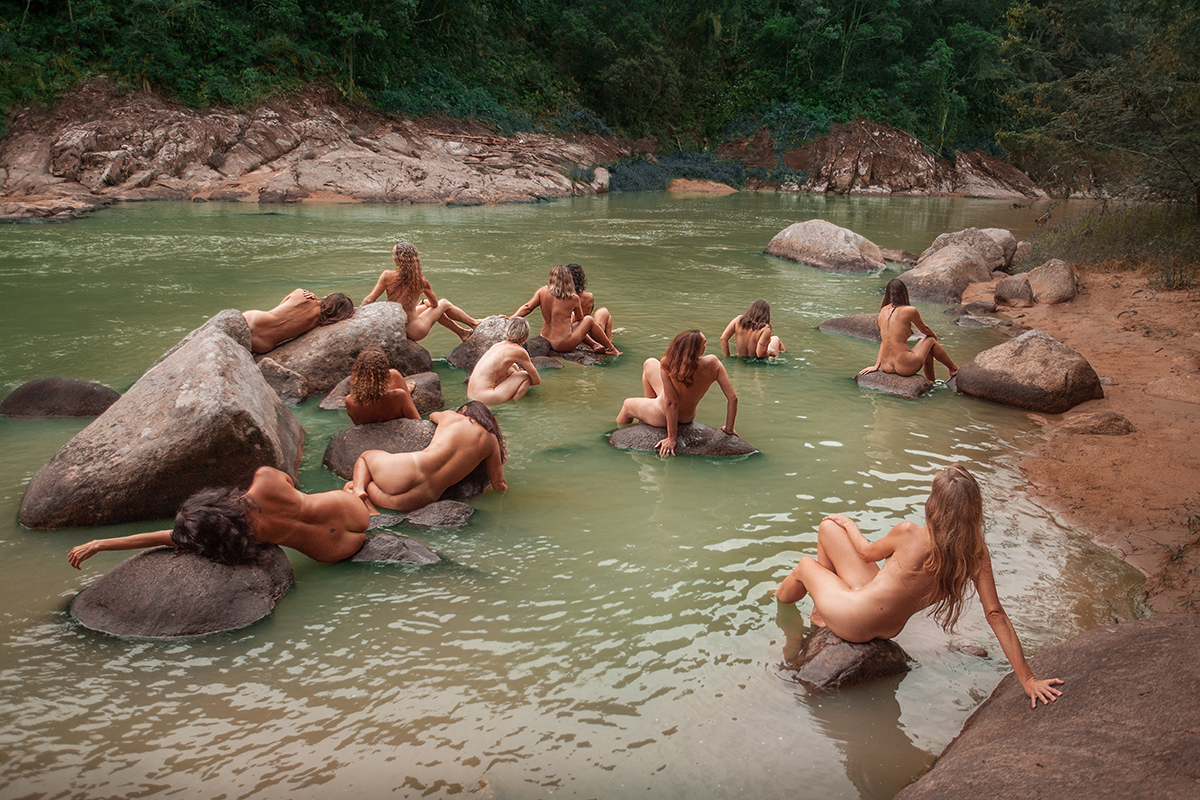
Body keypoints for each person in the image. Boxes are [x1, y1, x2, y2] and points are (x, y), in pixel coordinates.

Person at [775, 464, 1065, 709]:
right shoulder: (976, 553)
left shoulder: (909, 533)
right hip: (887, 625)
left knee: (804, 566)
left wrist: (850, 524)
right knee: (828, 529)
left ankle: (786, 625)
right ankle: (822, 612)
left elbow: (864, 553)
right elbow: (995, 614)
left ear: (934, 505)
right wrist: (1028, 679)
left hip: (855, 620)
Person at [67, 466, 372, 567]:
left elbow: (163, 538)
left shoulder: (238, 536)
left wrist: (101, 544)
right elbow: (291, 482)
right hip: (350, 511)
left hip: (334, 552)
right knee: (350, 483)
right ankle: (358, 495)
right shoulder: (264, 478)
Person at [349, 401, 507, 513]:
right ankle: (373, 513)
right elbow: (499, 485)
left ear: (464, 409)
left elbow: (432, 415)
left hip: (411, 467)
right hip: (426, 496)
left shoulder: (452, 417)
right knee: (366, 487)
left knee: (364, 458)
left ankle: (358, 490)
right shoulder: (492, 441)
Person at [616, 329, 737, 456]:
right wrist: (729, 428)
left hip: (662, 415)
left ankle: (620, 430)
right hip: (687, 417)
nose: (706, 345)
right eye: (704, 343)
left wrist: (672, 438)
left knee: (627, 404)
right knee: (650, 363)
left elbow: (672, 403)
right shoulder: (714, 363)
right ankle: (647, 409)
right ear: (696, 349)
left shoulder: (669, 364)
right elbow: (732, 398)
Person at [362, 241, 479, 342]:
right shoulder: (421, 281)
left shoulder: (387, 275)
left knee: (431, 308)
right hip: (414, 330)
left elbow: (369, 300)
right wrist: (425, 301)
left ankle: (463, 333)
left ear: (398, 258)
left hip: (397, 325)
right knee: (444, 303)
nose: (392, 256)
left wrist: (357, 315)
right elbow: (435, 304)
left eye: (393, 254)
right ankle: (473, 323)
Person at [858, 278, 957, 381]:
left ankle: (931, 381)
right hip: (905, 365)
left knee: (927, 350)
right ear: (904, 293)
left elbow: (884, 341)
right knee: (930, 340)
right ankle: (953, 369)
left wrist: (876, 366)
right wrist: (934, 336)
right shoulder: (910, 310)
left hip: (886, 366)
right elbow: (924, 329)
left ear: (887, 293)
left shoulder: (883, 310)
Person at [511, 265, 620, 356]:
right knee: (589, 320)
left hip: (545, 338)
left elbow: (527, 307)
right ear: (568, 280)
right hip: (562, 344)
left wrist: (510, 318)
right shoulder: (573, 298)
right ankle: (611, 349)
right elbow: (580, 319)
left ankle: (595, 345)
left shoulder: (542, 291)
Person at [243, 290, 355, 354]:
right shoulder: (319, 324)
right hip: (264, 345)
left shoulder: (301, 294)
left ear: (329, 297)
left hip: (252, 321)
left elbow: (278, 308)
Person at [467, 317, 541, 404]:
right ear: (526, 336)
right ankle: (513, 403)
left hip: (471, 395)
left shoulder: (497, 345)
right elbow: (536, 381)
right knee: (525, 375)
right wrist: (520, 382)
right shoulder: (519, 351)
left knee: (513, 367)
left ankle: (505, 395)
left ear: (507, 332)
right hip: (484, 397)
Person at [345, 347, 420, 424]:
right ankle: (407, 392)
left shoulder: (349, 401)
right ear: (384, 373)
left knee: (393, 374)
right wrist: (405, 394)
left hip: (371, 422)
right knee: (394, 374)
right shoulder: (399, 396)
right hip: (395, 420)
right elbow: (417, 421)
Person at [720, 299, 786, 359]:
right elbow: (760, 354)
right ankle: (785, 355)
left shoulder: (738, 320)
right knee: (775, 339)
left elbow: (723, 339)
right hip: (758, 361)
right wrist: (770, 353)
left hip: (741, 359)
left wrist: (727, 356)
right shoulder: (766, 328)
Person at [566, 263, 614, 342]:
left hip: (574, 331)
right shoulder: (588, 297)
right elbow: (586, 316)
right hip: (587, 331)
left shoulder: (563, 297)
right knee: (604, 312)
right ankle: (608, 341)